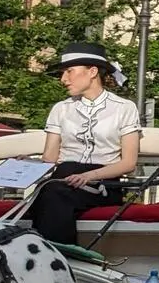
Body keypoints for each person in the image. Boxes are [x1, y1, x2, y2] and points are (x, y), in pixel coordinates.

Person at [33, 40, 143, 245]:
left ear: (92, 71)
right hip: (63, 178)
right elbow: (49, 158)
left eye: (69, 71)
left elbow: (128, 163)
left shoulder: (124, 108)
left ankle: (57, 255)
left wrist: (88, 176)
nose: (63, 79)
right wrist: (25, 166)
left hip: (102, 182)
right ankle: (58, 255)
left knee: (53, 196)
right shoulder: (61, 108)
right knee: (50, 192)